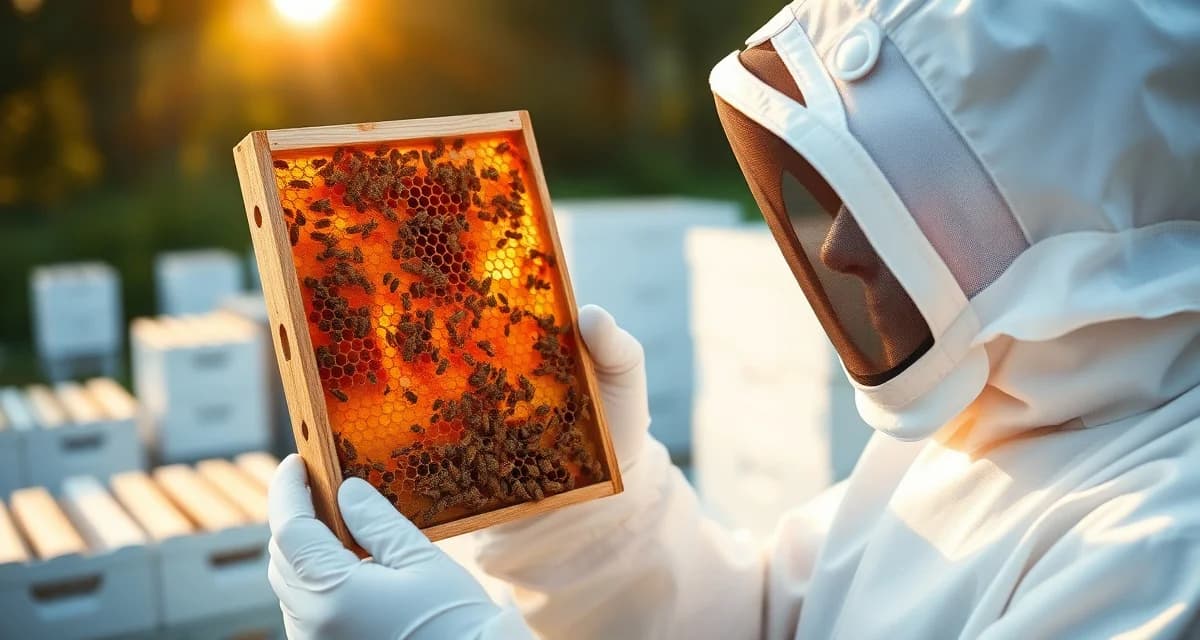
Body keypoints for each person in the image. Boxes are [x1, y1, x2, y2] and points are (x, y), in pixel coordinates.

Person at [266, 0, 1200, 637]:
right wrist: (592, 523)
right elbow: (767, 623)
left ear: (1061, 200)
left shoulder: (1164, 550)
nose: (836, 249)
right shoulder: (986, 409)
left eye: (897, 194)